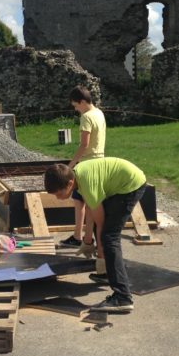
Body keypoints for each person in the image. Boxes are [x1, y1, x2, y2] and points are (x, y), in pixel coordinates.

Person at [44, 158, 146, 313]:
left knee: (109, 237)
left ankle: (123, 297)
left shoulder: (87, 185)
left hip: (129, 185)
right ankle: (107, 274)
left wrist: (100, 258)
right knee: (105, 236)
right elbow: (91, 212)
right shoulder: (78, 178)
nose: (58, 198)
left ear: (70, 184)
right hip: (119, 181)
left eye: (59, 193)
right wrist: (87, 241)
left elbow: (101, 224)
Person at [60, 86, 106, 249]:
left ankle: (87, 239)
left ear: (82, 102)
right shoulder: (99, 113)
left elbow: (84, 145)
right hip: (99, 160)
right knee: (80, 200)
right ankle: (79, 236)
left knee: (89, 202)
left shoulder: (86, 117)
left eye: (76, 106)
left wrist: (70, 166)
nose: (76, 109)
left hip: (88, 165)